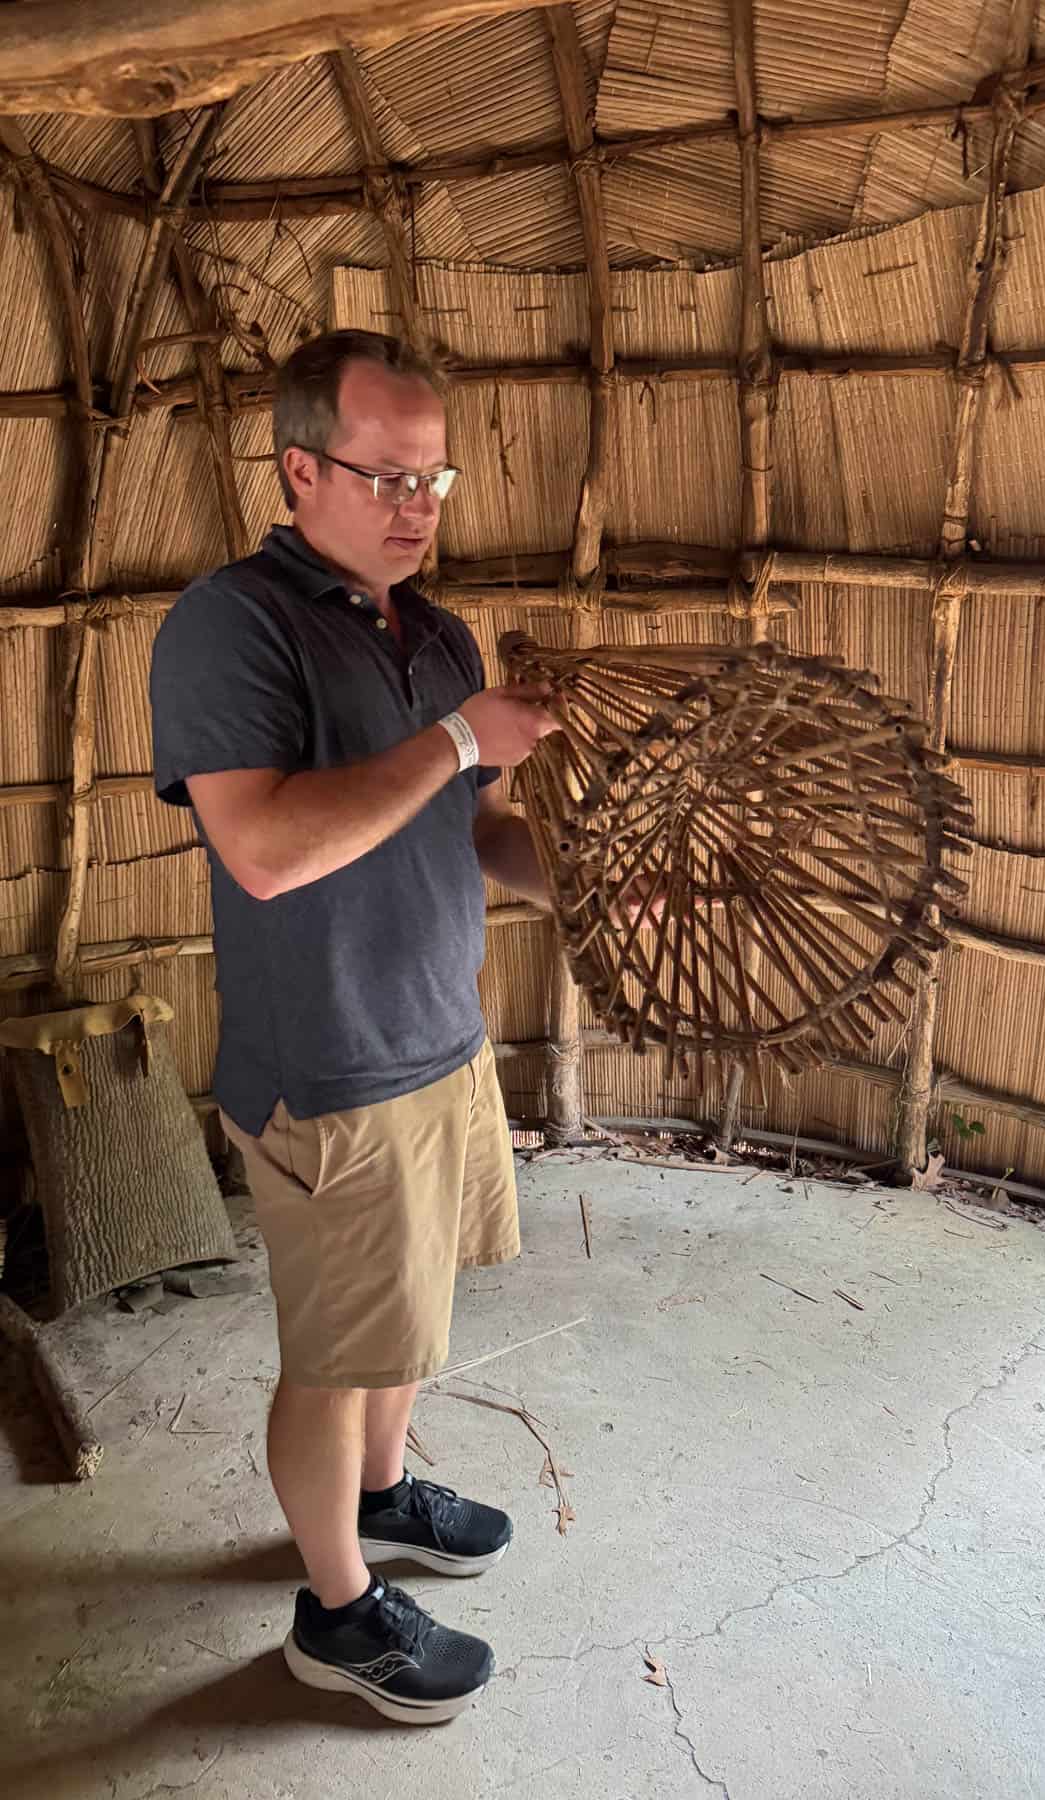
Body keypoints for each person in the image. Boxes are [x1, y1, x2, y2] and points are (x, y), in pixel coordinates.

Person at [150, 328, 562, 1725]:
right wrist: (456, 741)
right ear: (300, 467)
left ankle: (385, 1499)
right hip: (327, 1063)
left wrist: (586, 874)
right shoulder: (231, 623)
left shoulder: (437, 636)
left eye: (433, 477)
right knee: (334, 1360)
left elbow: (482, 827)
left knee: (409, 1320)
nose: (415, 505)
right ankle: (333, 1613)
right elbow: (261, 848)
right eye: (386, 475)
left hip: (442, 1038)